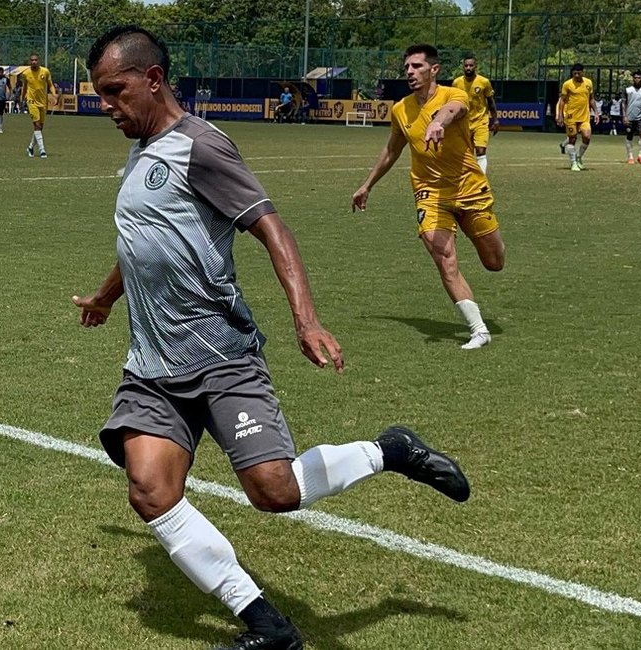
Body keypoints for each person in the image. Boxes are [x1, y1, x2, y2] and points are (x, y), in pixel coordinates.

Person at [76, 26, 472, 650]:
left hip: (221, 356)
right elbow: (146, 244)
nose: (107, 106)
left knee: (275, 493)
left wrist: (306, 318)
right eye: (101, 93)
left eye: (115, 91)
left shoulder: (200, 147)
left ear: (153, 80)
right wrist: (106, 295)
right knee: (150, 490)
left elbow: (272, 228)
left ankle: (389, 451)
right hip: (152, 365)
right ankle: (265, 625)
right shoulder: (143, 148)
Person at [352, 43, 505, 351]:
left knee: (494, 262)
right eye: (407, 67)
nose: (410, 72)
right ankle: (478, 330)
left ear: (433, 69)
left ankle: (488, 247)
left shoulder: (454, 94)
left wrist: (438, 121)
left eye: (417, 66)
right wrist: (367, 184)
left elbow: (454, 111)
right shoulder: (401, 108)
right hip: (429, 193)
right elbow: (392, 150)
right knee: (444, 259)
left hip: (469, 187)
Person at [451, 55, 499, 173]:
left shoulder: (484, 82)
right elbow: (452, 102)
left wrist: (496, 119)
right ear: (463, 67)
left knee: (481, 151)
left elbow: (490, 101)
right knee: (465, 153)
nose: (468, 68)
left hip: (481, 121)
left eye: (471, 65)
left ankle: (482, 178)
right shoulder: (457, 83)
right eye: (466, 65)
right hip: (464, 122)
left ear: (475, 67)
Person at [556, 63, 598, 172]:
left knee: (587, 136)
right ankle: (573, 162)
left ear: (583, 72)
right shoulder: (567, 84)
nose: (576, 75)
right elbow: (562, 101)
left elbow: (591, 99)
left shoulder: (588, 83)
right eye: (574, 73)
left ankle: (579, 157)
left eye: (578, 73)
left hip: (584, 116)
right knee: (572, 138)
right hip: (571, 117)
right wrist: (560, 115)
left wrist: (596, 113)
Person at [20, 53, 57, 158]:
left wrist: (54, 95)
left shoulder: (45, 71)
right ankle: (42, 150)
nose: (34, 62)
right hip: (31, 102)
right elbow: (24, 87)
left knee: (40, 127)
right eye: (32, 60)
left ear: (38, 61)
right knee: (36, 125)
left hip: (43, 102)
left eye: (35, 60)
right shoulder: (26, 73)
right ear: (29, 61)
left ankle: (30, 147)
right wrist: (22, 99)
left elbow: (50, 85)